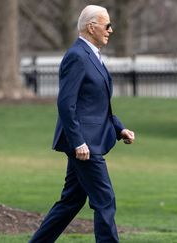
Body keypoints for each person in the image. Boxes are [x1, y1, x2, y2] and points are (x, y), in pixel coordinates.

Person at [29, 5, 135, 243]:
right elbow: (67, 104)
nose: (111, 30)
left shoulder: (93, 55)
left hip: (91, 141)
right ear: (91, 27)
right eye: (107, 25)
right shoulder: (77, 56)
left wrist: (119, 129)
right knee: (105, 199)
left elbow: (95, 105)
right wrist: (78, 142)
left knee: (71, 202)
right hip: (85, 146)